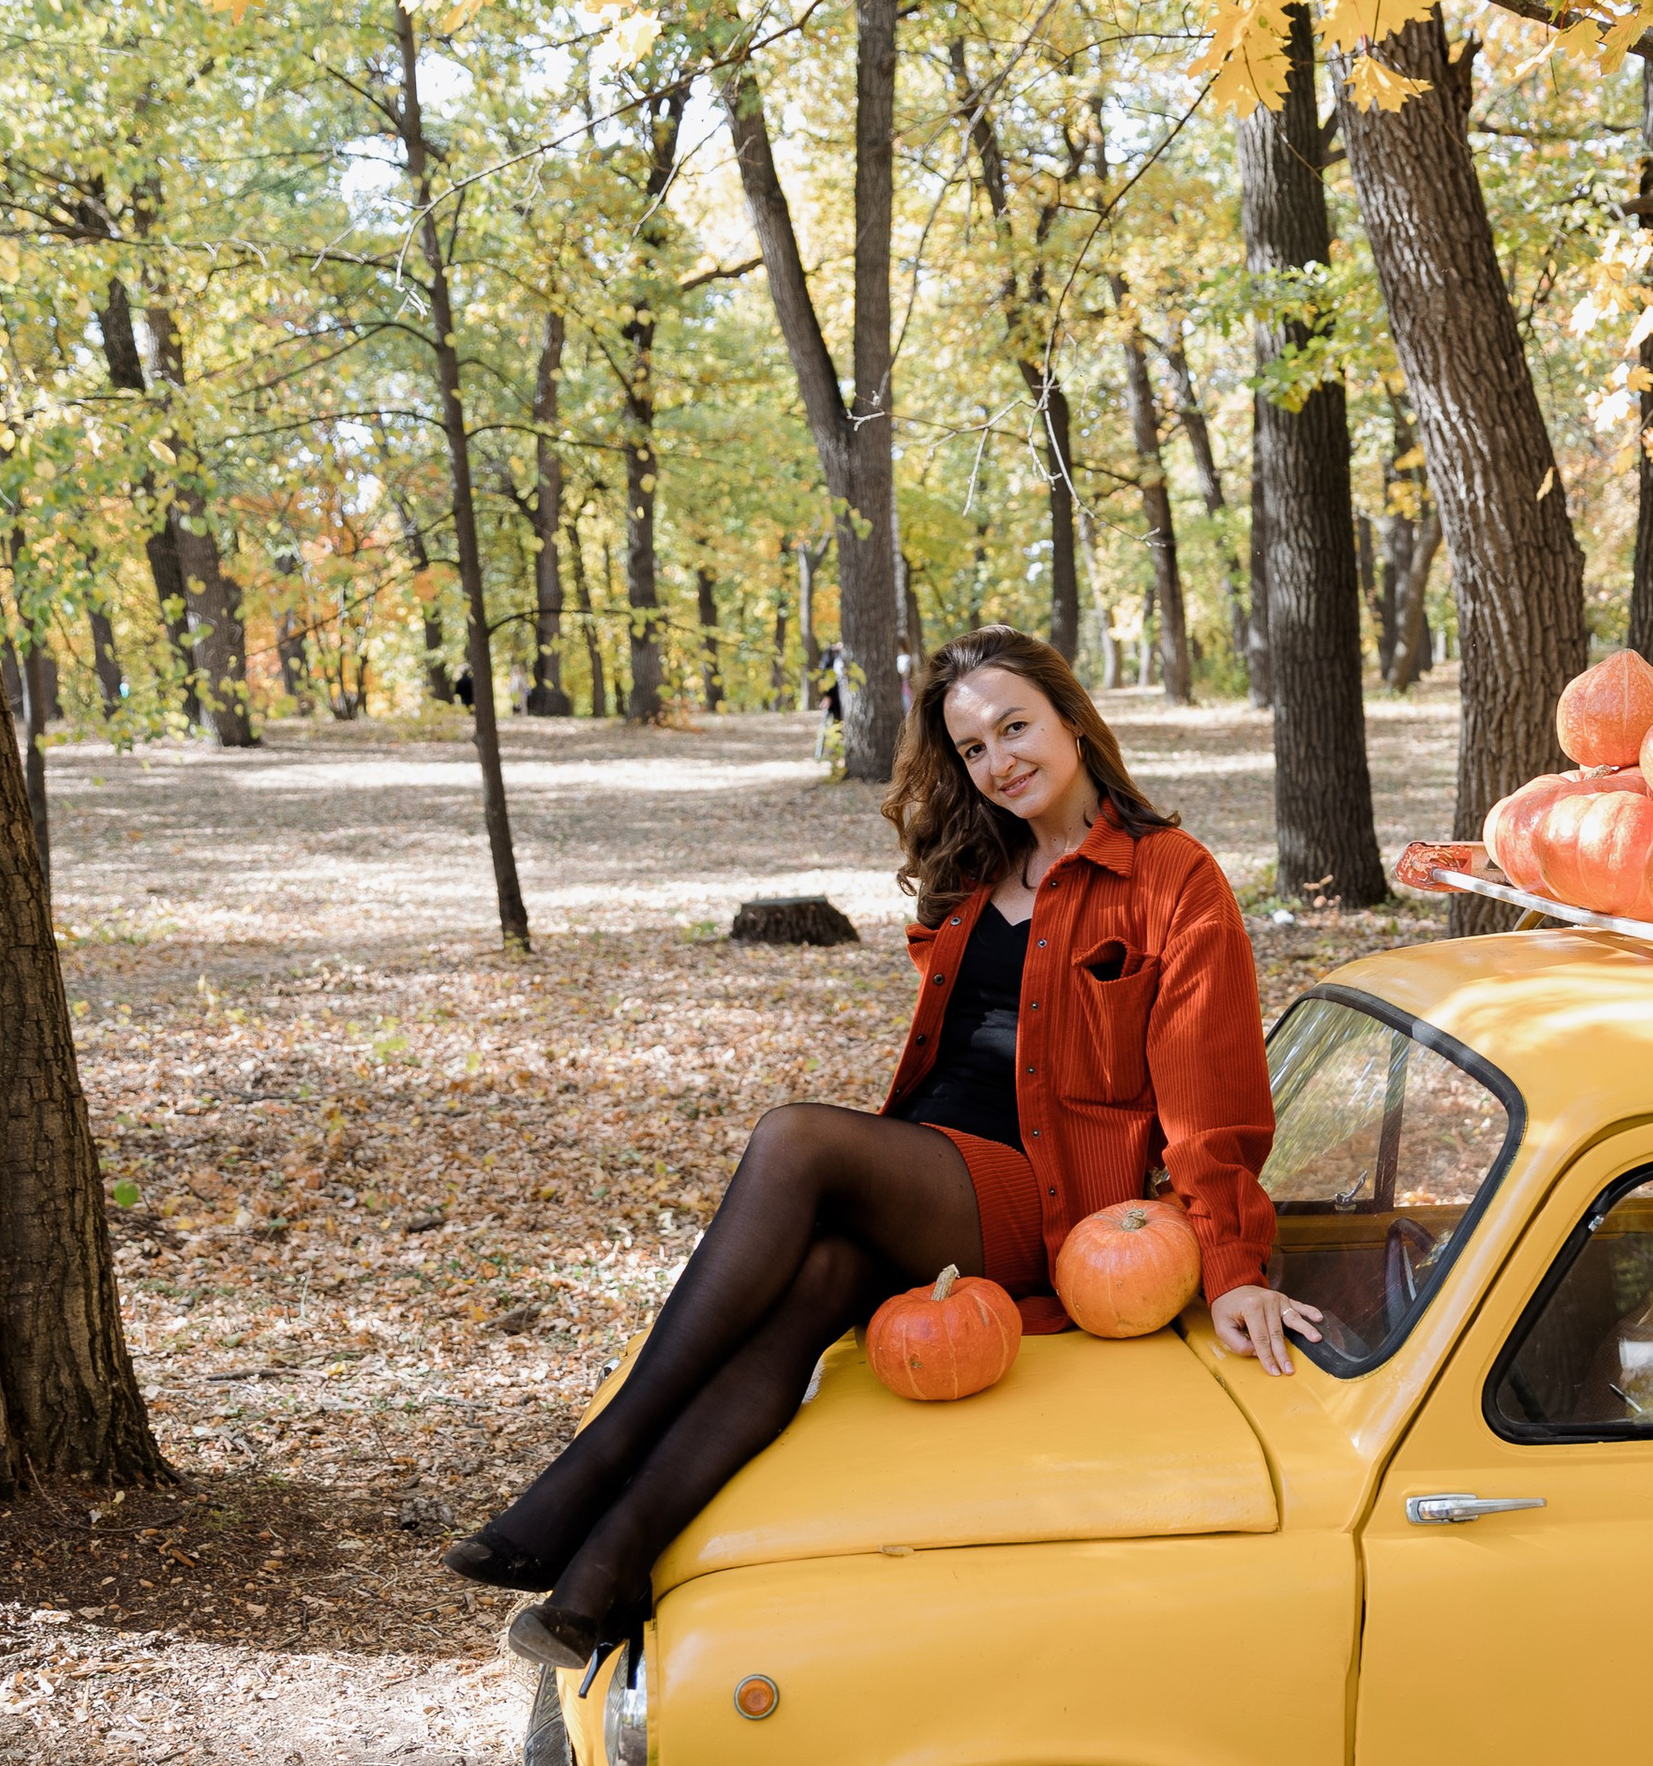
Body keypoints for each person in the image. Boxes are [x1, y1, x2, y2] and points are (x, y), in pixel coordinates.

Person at [447, 624, 1323, 1665]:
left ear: (1073, 720)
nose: (999, 761)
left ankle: (577, 1484)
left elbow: (1208, 1092)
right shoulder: (979, 862)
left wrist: (1228, 1262)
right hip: (930, 1168)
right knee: (808, 1289)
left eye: (1015, 727)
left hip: (1040, 1202)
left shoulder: (1173, 880)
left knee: (796, 1142)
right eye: (973, 748)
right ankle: (600, 1581)